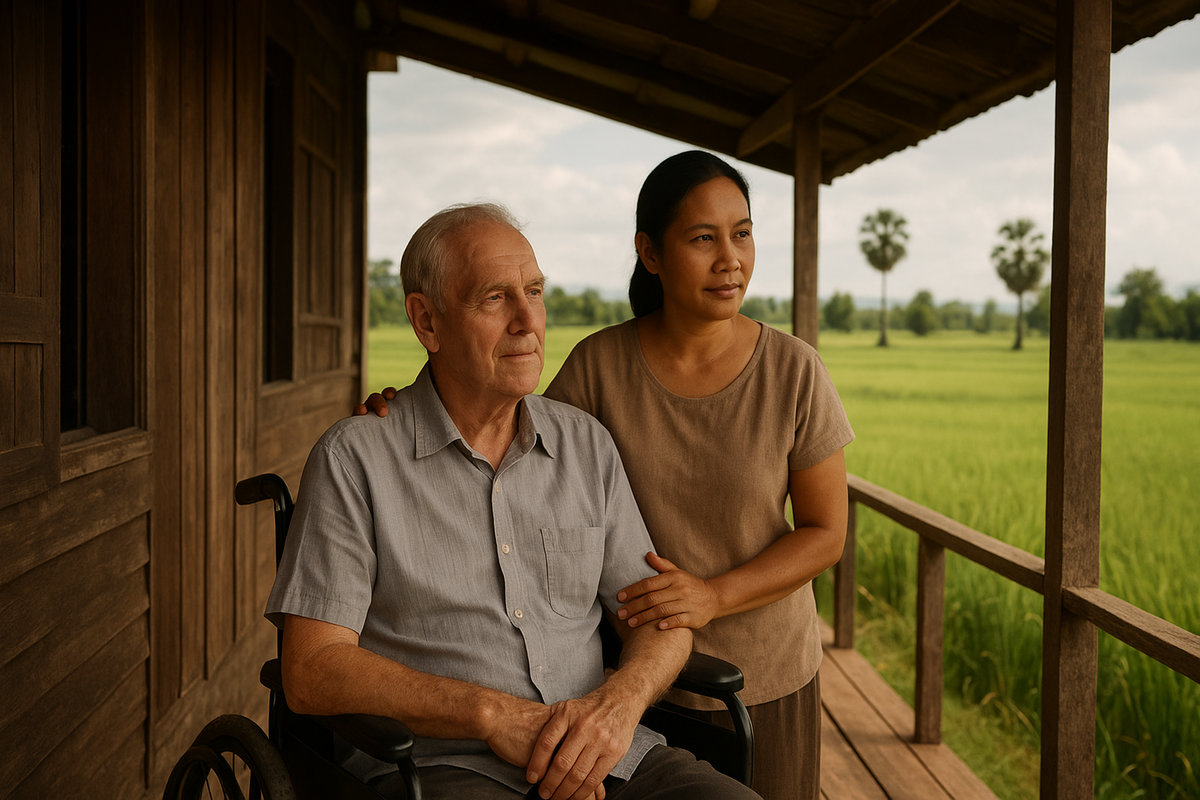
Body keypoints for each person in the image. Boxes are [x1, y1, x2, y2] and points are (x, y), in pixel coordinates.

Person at [267, 202, 760, 800]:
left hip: (609, 758)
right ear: (427, 322)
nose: (529, 320)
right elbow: (312, 671)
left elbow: (659, 619)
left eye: (534, 291)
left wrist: (618, 705)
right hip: (440, 770)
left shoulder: (585, 445)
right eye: (495, 299)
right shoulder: (356, 459)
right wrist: (492, 716)